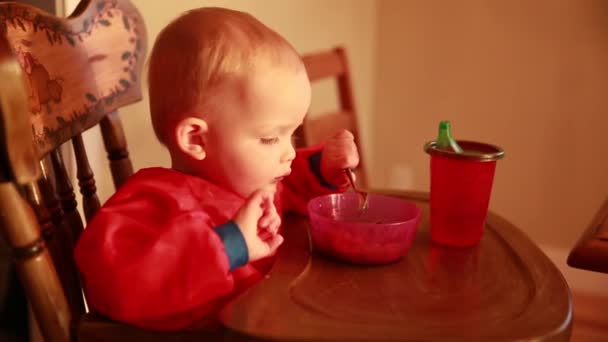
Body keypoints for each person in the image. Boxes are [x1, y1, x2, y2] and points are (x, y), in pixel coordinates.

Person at [74, 7, 360, 331]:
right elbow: (112, 282)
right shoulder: (153, 203)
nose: (289, 152)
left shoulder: (251, 182)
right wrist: (229, 245)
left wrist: (322, 167)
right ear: (196, 138)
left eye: (291, 134)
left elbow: (290, 187)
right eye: (270, 138)